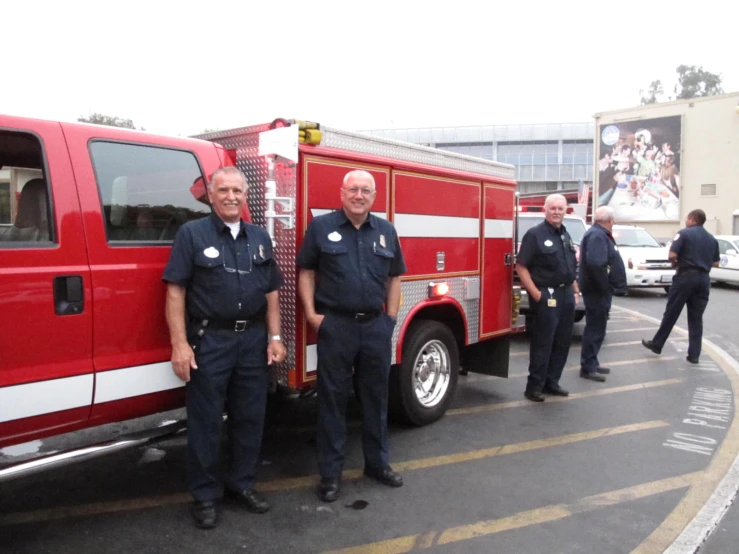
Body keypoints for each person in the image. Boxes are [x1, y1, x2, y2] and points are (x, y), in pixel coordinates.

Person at [163, 166, 286, 529]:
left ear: (245, 195)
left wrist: (275, 337)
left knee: (251, 417)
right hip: (210, 341)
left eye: (237, 191)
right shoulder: (192, 234)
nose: (231, 196)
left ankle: (242, 484)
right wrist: (180, 345)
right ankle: (204, 495)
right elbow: (175, 291)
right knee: (206, 422)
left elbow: (272, 292)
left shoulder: (260, 237)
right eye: (223, 190)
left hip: (251, 340)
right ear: (211, 195)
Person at [297, 169, 406, 503]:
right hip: (337, 327)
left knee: (376, 398)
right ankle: (331, 475)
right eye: (353, 189)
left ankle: (377, 464)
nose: (359, 195)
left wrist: (389, 319)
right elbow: (306, 273)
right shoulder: (321, 227)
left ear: (374, 196)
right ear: (342, 192)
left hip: (375, 327)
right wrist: (314, 316)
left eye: (366, 191)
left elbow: (395, 278)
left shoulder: (386, 230)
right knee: (333, 400)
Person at [516, 194, 580, 402]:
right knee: (543, 342)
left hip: (566, 294)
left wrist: (575, 291)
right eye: (552, 208)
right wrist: (536, 293)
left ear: (566, 210)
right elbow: (521, 266)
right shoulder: (534, 234)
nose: (556, 212)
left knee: (562, 341)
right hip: (547, 295)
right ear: (545, 209)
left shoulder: (565, 235)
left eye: (560, 208)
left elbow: (569, 267)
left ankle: (552, 382)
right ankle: (534, 386)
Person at [642, 209, 720, 364]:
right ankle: (694, 355)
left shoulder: (684, 233)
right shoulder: (712, 239)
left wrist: (678, 264)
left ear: (692, 219)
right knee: (696, 317)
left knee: (672, 312)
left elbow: (672, 254)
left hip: (685, 277)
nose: (686, 221)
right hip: (704, 279)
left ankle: (657, 344)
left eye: (687, 218)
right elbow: (716, 262)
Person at [578, 206, 627, 382]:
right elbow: (596, 264)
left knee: (598, 327)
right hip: (597, 290)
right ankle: (588, 367)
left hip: (598, 289)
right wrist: (604, 286)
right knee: (595, 328)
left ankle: (592, 361)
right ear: (611, 220)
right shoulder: (598, 235)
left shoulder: (598, 234)